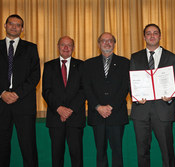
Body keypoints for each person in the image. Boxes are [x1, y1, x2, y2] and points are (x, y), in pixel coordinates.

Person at [130, 23, 175, 167]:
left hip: (163, 110)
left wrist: (171, 98)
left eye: (155, 33)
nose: (152, 36)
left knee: (167, 152)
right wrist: (137, 97)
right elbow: (131, 82)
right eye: (149, 33)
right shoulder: (135, 57)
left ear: (160, 36)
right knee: (142, 152)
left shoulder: (171, 57)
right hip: (141, 111)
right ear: (144, 37)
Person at [84, 32, 129, 167]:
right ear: (99, 44)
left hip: (116, 114)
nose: (107, 43)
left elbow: (125, 87)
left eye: (110, 41)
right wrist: (98, 107)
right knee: (100, 152)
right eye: (104, 41)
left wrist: (110, 106)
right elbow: (86, 88)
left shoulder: (125, 62)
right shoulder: (88, 64)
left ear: (114, 44)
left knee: (117, 152)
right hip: (97, 114)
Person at [0, 14, 40, 167]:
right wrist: (2, 93)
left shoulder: (31, 48)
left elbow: (35, 75)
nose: (14, 27)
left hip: (23, 104)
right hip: (1, 104)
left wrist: (17, 94)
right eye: (11, 23)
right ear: (5, 25)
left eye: (18, 25)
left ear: (22, 29)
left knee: (28, 147)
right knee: (2, 146)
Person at [42, 36, 86, 167]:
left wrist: (69, 110)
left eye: (69, 45)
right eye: (63, 45)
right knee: (57, 157)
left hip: (75, 118)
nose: (66, 48)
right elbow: (46, 91)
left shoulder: (82, 65)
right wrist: (59, 109)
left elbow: (84, 90)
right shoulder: (49, 66)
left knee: (77, 157)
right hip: (55, 119)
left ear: (73, 48)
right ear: (58, 47)